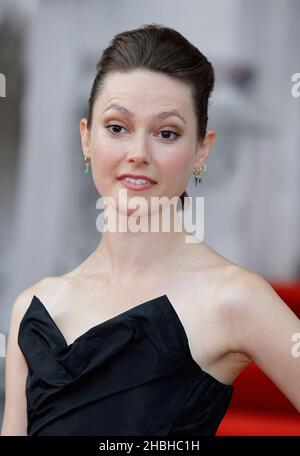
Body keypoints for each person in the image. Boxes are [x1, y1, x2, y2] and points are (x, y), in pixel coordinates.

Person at [1, 24, 299, 437]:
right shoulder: (33, 307)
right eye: (117, 127)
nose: (138, 154)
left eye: (166, 133)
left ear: (202, 149)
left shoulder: (235, 298)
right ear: (87, 139)